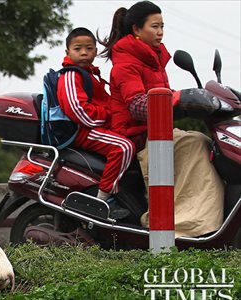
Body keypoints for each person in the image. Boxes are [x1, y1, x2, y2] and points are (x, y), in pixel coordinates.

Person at [97, 1, 224, 237]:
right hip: (138, 135)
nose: (160, 32)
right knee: (196, 143)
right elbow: (138, 106)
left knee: (205, 142)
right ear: (137, 30)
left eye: (162, 26)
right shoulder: (125, 63)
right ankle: (184, 224)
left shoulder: (153, 59)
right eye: (155, 26)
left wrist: (190, 99)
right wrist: (179, 99)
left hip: (158, 131)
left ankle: (199, 218)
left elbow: (166, 97)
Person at [57, 27, 136, 220]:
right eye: (78, 48)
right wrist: (108, 115)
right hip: (84, 131)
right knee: (124, 147)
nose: (84, 53)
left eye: (89, 48)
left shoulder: (91, 75)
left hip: (97, 127)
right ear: (67, 52)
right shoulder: (71, 75)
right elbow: (79, 111)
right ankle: (103, 200)